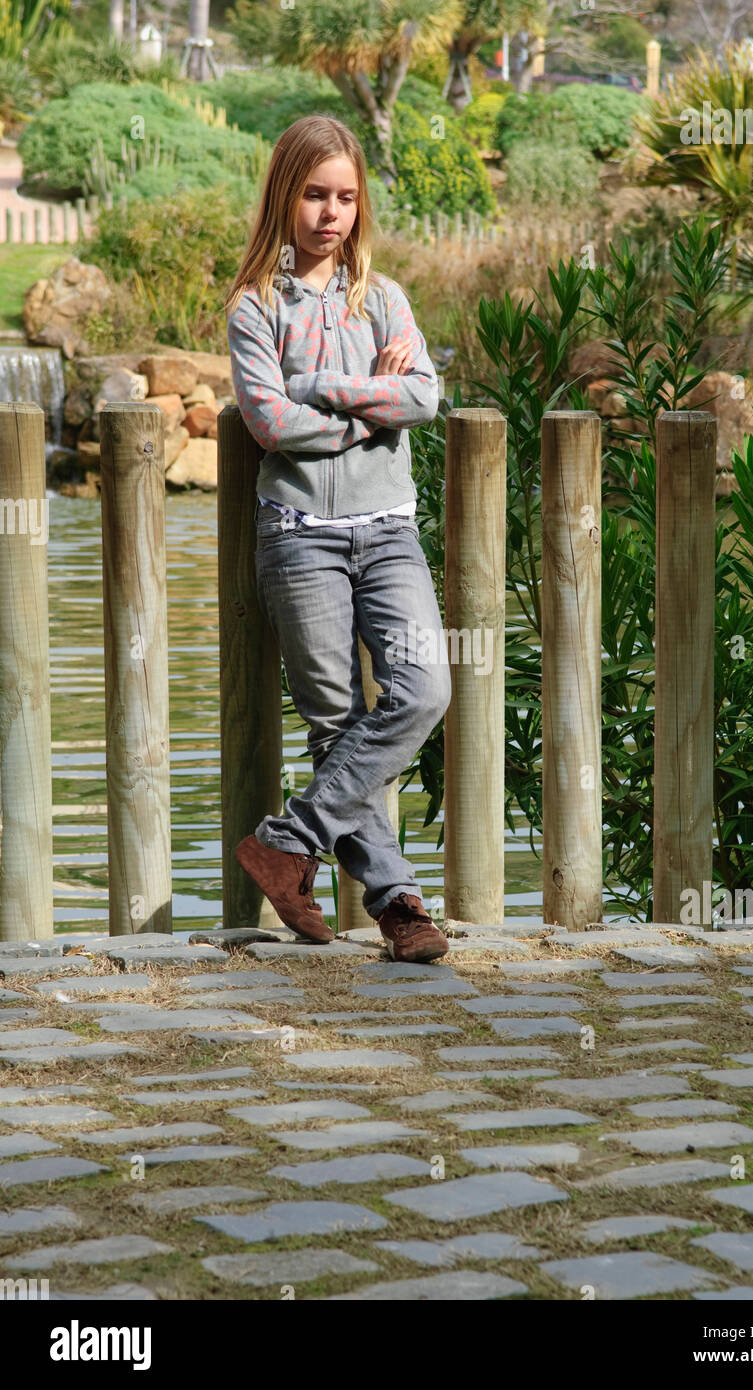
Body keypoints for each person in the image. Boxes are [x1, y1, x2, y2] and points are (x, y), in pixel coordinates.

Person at [224, 114, 451, 964]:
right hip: (300, 536)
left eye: (346, 197)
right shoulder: (254, 307)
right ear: (285, 195)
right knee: (334, 723)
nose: (330, 213)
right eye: (315, 194)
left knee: (424, 690)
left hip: (387, 530)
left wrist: (323, 389)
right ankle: (399, 909)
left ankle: (286, 841)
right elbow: (274, 424)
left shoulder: (384, 297)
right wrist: (362, 403)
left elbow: (423, 396)